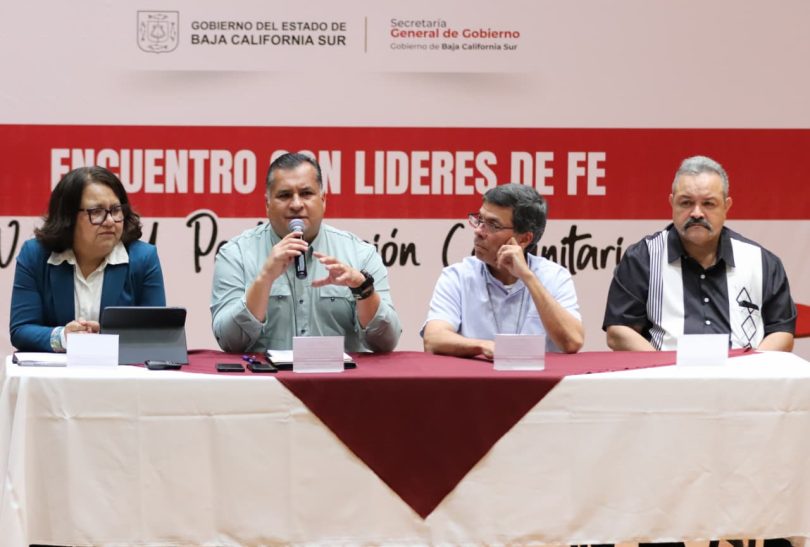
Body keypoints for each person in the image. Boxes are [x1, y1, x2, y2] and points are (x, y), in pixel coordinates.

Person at [210, 152, 401, 353]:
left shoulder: (360, 254)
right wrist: (264, 279)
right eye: (284, 195)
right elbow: (229, 341)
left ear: (323, 200)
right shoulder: (236, 255)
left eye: (306, 193)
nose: (296, 204)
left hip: (340, 374)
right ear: (267, 204)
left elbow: (386, 342)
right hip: (264, 374)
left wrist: (363, 289)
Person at [603, 155, 796, 352]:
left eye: (708, 204)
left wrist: (749, 367)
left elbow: (781, 332)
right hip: (665, 369)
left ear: (726, 206)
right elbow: (618, 331)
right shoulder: (642, 259)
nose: (697, 213)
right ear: (672, 203)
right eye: (686, 203)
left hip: (743, 371)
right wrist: (662, 367)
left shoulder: (761, 262)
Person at [10, 166, 166, 352]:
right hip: (59, 370)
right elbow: (21, 330)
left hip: (120, 369)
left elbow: (157, 333)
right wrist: (63, 337)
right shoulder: (36, 255)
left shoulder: (143, 258)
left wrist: (103, 339)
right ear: (68, 216)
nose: (110, 221)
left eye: (116, 210)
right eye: (97, 211)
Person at [421, 183, 584, 358]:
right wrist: (485, 346)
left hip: (539, 376)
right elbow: (433, 339)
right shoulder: (457, 276)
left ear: (524, 239)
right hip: (477, 375)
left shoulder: (554, 277)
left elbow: (572, 342)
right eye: (480, 219)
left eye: (493, 225)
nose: (478, 231)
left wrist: (527, 277)